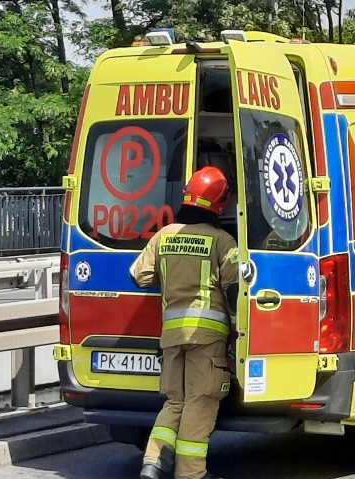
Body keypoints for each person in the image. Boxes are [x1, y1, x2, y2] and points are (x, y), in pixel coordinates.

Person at [131, 166, 239, 479]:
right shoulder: (222, 241)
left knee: (175, 401)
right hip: (207, 337)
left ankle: (152, 462)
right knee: (200, 401)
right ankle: (191, 474)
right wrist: (240, 332)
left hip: (172, 336)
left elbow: (139, 275)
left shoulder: (164, 236)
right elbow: (234, 290)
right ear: (220, 204)